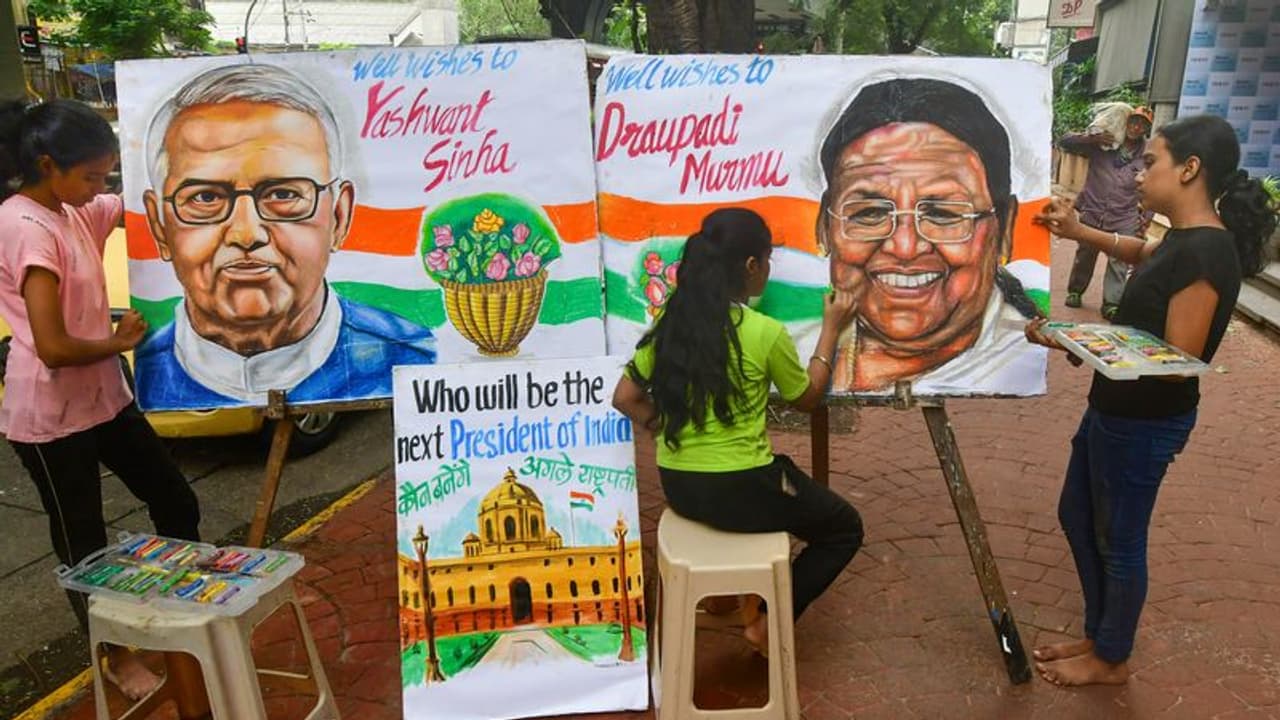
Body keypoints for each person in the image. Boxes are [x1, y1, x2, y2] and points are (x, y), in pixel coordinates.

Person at [1026, 114, 1277, 686]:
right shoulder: (1185, 240)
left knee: (1120, 539)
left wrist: (1076, 338)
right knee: (1076, 515)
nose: (1138, 174)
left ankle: (1111, 657)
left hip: (1144, 424)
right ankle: (1099, 634)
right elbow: (1142, 253)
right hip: (1113, 411)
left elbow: (1176, 362)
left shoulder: (1209, 254)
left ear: (1190, 170)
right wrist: (1079, 233)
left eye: (1151, 162)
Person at [0, 98, 202, 699]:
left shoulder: (71, 209)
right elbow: (54, 346)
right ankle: (111, 654)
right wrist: (116, 341)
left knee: (173, 498)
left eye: (105, 175)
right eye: (90, 176)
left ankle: (180, 612)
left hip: (104, 400)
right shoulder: (24, 227)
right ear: (46, 165)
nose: (99, 189)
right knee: (83, 541)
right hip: (50, 416)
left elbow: (135, 205)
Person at [612, 207, 865, 654]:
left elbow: (625, 397)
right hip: (742, 489)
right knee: (843, 528)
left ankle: (734, 595)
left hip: (681, 487)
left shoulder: (673, 326)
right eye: (767, 261)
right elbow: (806, 398)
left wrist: (666, 425)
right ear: (751, 267)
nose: (768, 270)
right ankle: (767, 622)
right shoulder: (764, 333)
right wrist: (830, 329)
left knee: (781, 473)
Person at [136, 63, 436, 409]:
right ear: (159, 225)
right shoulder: (142, 372)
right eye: (205, 198)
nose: (246, 234)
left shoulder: (419, 360)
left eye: (283, 195)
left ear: (339, 217)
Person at [816, 77, 1046, 395]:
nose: (905, 248)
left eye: (943, 214)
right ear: (824, 227)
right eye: (870, 213)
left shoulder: (1016, 360)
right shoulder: (793, 347)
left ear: (1004, 228)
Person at [1060, 105, 1155, 320]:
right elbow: (1064, 141)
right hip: (1093, 211)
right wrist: (1090, 139)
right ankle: (1075, 290)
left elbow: (1152, 185)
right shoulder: (1103, 144)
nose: (1136, 127)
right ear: (1126, 122)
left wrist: (1146, 219)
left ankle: (1111, 303)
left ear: (1146, 130)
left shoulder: (1147, 155)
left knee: (1119, 260)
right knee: (1085, 254)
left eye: (1142, 125)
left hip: (1124, 215)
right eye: (1134, 121)